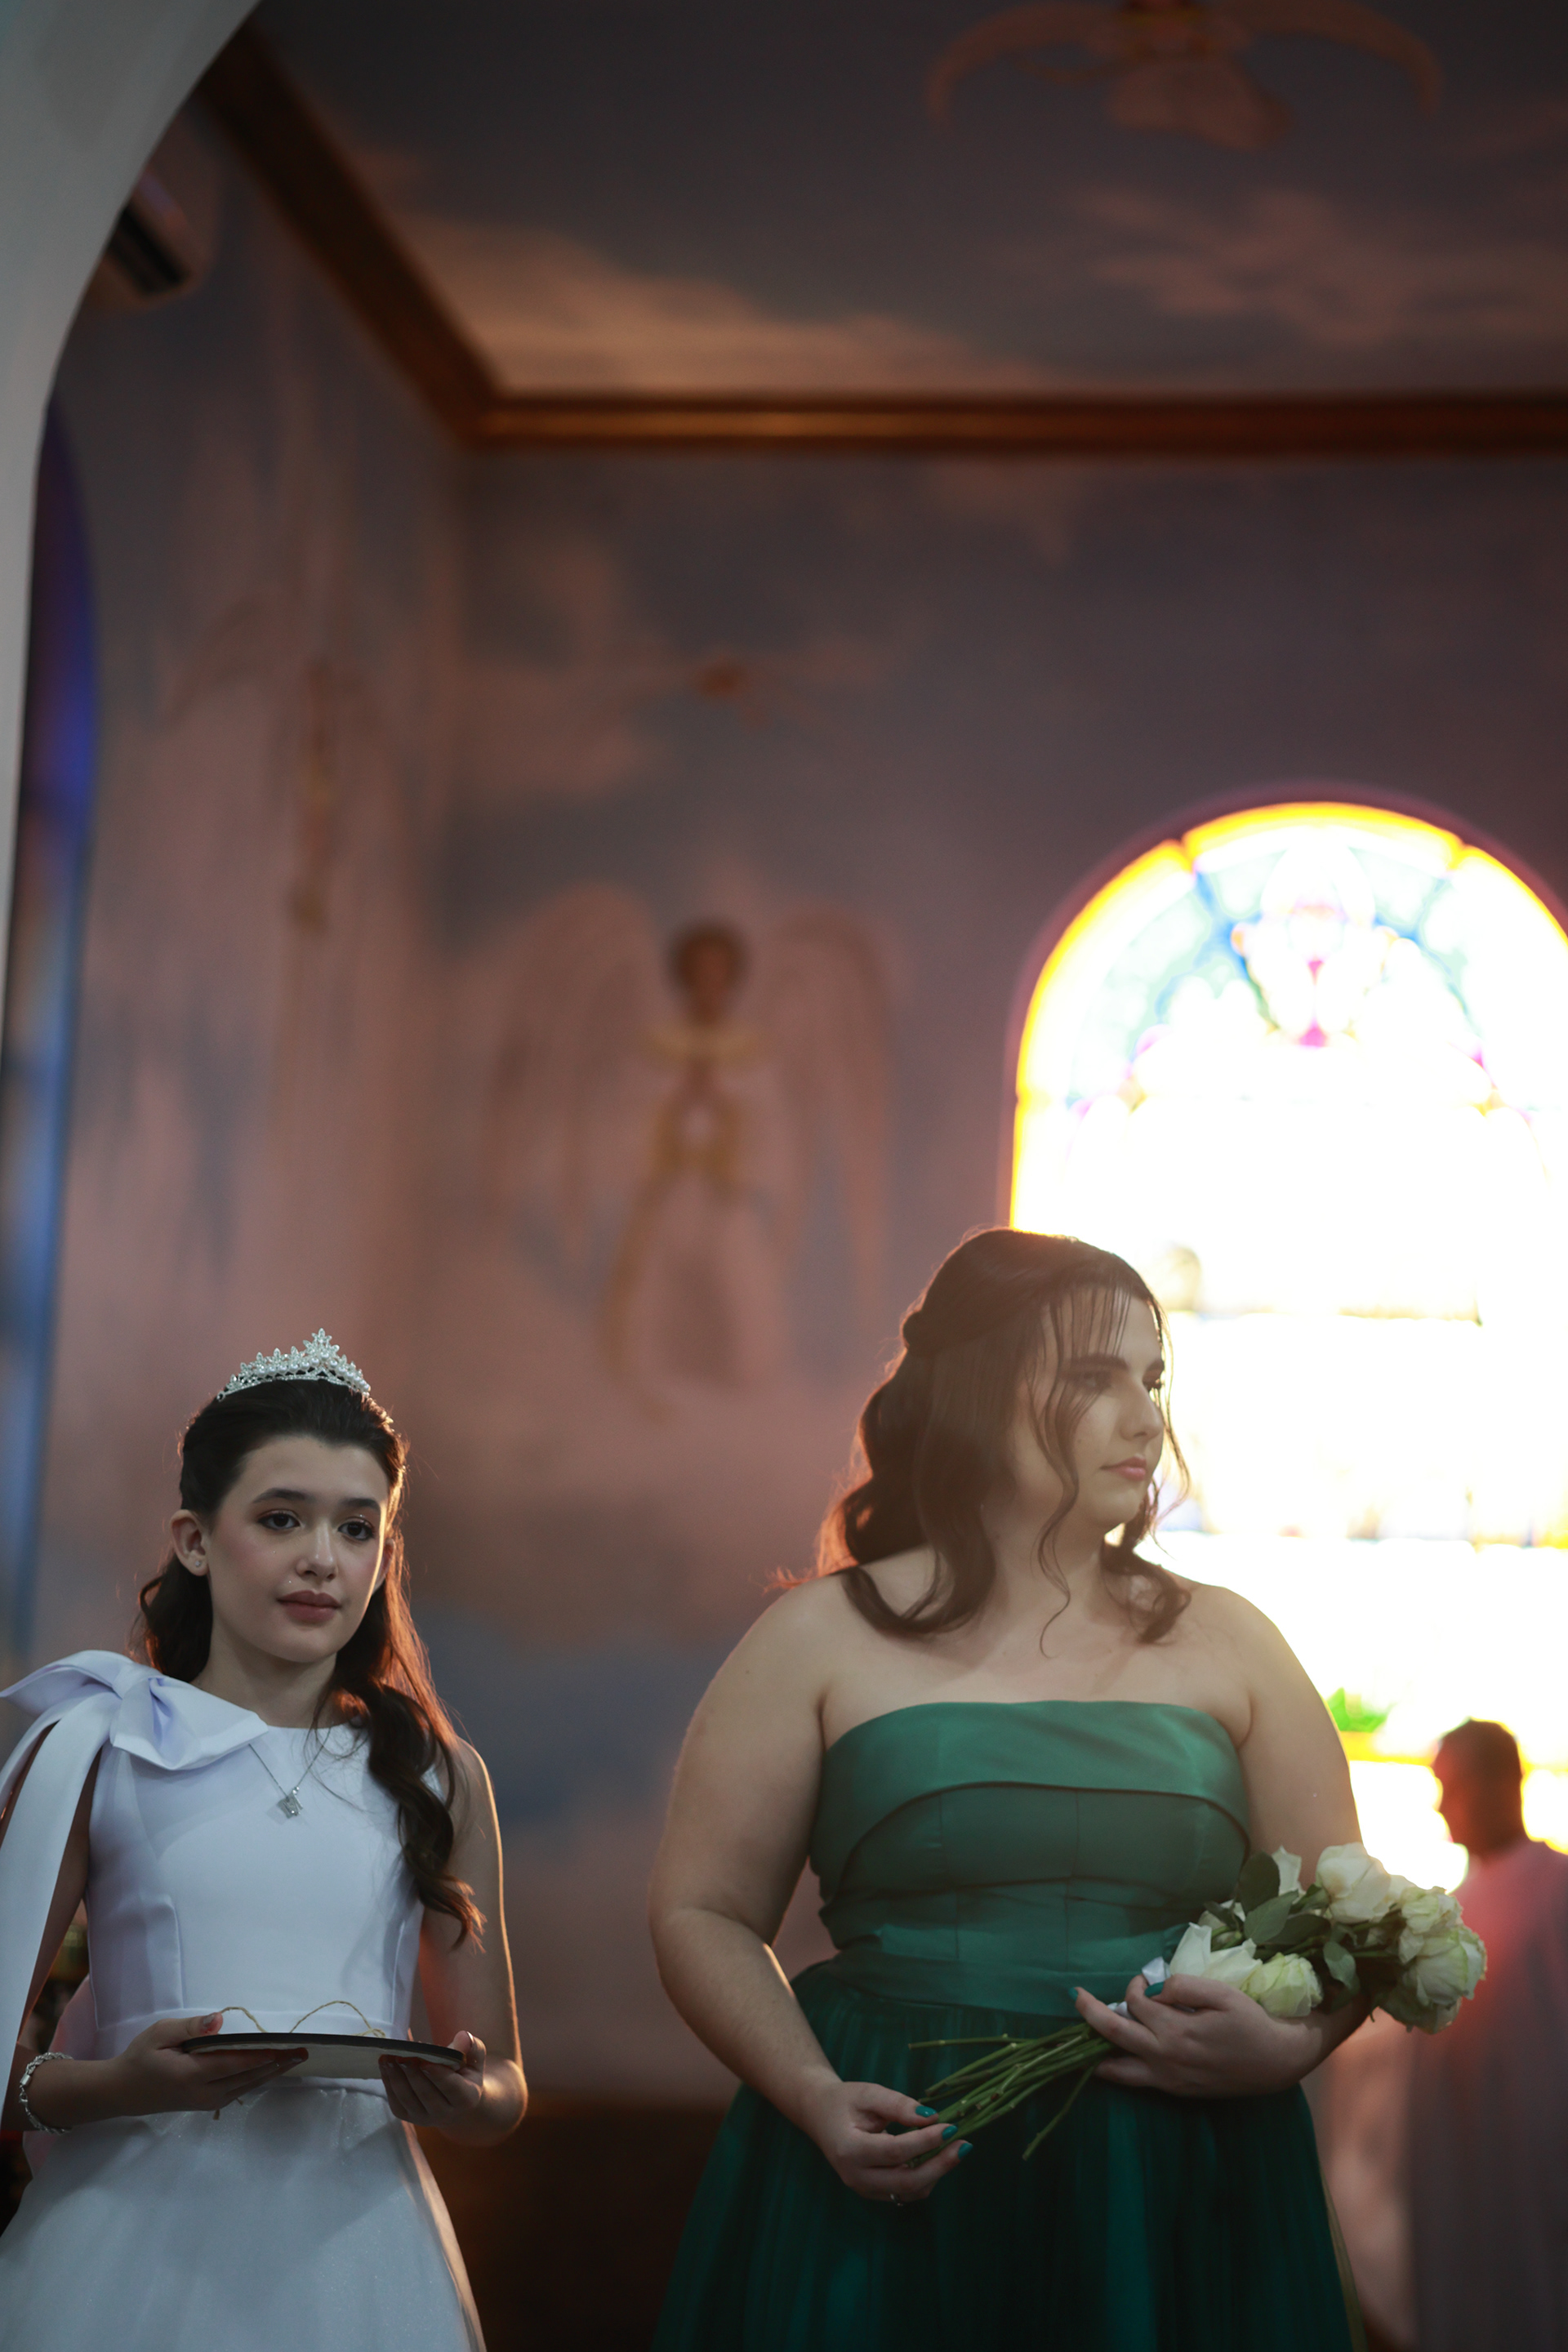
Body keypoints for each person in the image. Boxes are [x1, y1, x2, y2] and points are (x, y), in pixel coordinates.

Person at [648, 1228, 1368, 2351]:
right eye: (1093, 1377)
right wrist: (814, 2092)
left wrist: (1292, 2048)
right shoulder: (820, 1637)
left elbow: (1350, 1912)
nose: (1144, 1418)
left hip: (1173, 2172)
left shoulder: (1233, 1642)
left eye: (1151, 1380)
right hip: (903, 2139)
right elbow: (704, 1910)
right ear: (978, 1392)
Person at [0, 1332, 525, 2350]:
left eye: (356, 1527)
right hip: (126, 2245)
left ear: (384, 1554)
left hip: (363, 2256)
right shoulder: (102, 1745)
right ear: (196, 1540)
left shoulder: (437, 1774)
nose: (321, 1558)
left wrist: (463, 2096)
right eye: (281, 1518)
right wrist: (122, 2085)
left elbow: (503, 2083)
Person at [1407, 1720, 1568, 2352]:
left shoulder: (1557, 1888)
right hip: (1460, 2162)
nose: (1441, 1805)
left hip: (1543, 2164)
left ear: (1504, 1783)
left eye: (1454, 1786)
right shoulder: (1449, 1909)